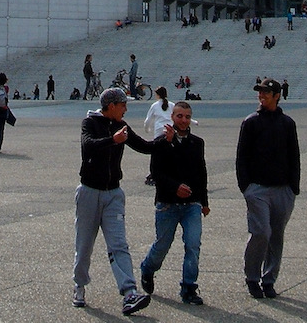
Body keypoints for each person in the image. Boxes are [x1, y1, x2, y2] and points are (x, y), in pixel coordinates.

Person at [73, 86, 168, 314]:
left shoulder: (121, 126)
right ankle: (79, 285)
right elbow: (88, 146)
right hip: (89, 192)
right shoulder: (90, 123)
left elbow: (144, 146)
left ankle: (129, 293)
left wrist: (165, 140)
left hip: (113, 193)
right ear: (111, 105)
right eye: (123, 105)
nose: (126, 109)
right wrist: (112, 140)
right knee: (84, 244)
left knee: (119, 244)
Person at [235, 77, 300, 300]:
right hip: (258, 190)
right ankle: (252, 277)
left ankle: (269, 279)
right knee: (261, 232)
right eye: (259, 93)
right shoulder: (251, 122)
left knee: (277, 236)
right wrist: (246, 187)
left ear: (277, 96)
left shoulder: (287, 123)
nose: (261, 96)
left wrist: (293, 188)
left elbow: (294, 156)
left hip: (283, 189)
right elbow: (241, 157)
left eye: (265, 93)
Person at [139, 101, 209, 305]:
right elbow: (157, 173)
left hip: (192, 204)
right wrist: (174, 186)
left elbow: (200, 173)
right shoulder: (162, 141)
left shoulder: (197, 143)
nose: (184, 120)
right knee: (162, 245)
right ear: (172, 117)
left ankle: (189, 287)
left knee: (193, 244)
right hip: (168, 203)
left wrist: (204, 201)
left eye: (187, 117)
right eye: (180, 116)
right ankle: (148, 268)